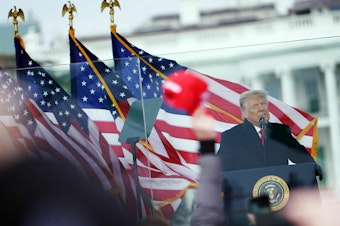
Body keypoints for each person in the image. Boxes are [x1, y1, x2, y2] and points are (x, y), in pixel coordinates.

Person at [217, 89, 320, 173]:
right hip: (248, 195)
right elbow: (220, 171)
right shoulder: (232, 137)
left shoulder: (281, 132)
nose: (261, 109)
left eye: (263, 104)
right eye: (255, 106)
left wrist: (312, 165)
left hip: (280, 193)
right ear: (244, 113)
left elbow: (301, 157)